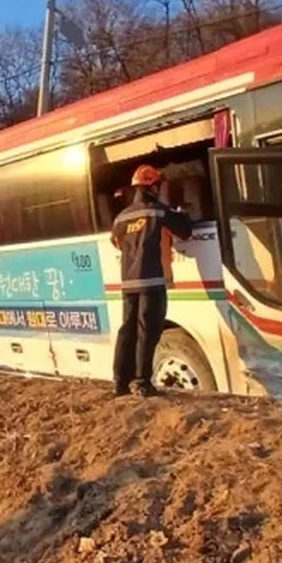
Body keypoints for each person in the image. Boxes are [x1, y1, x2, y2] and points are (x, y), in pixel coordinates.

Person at [110, 164, 193, 397]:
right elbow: (185, 231)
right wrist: (183, 212)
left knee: (127, 331)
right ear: (155, 187)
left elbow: (116, 242)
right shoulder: (158, 212)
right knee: (147, 332)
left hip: (128, 283)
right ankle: (141, 382)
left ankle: (120, 382)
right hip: (152, 281)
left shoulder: (122, 216)